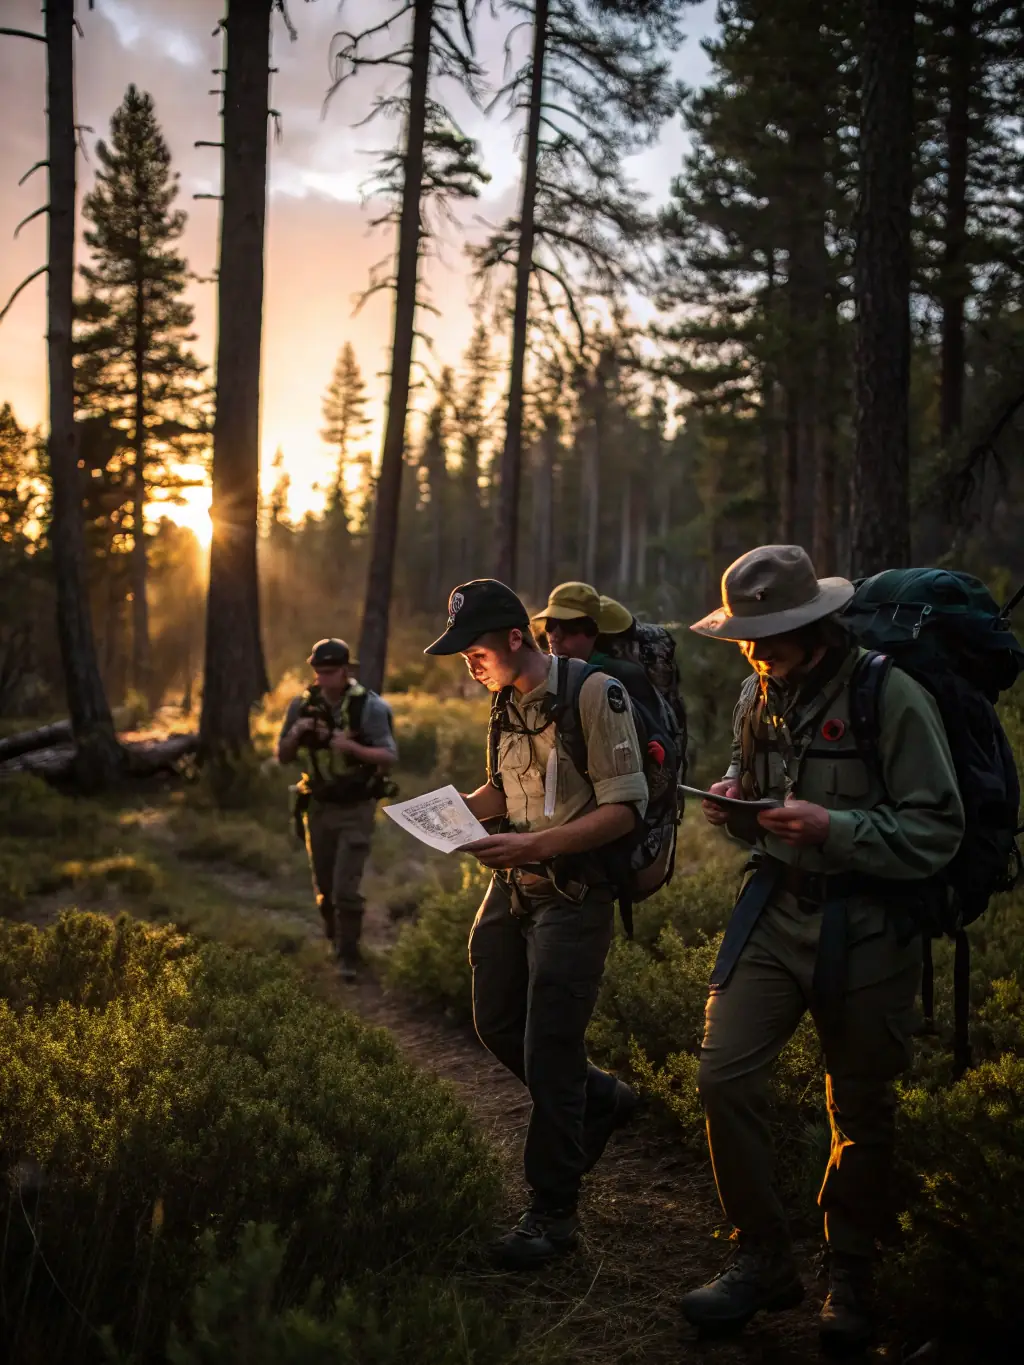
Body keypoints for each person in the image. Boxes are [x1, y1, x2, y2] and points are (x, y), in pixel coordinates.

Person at [679, 545, 964, 1352]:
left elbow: (938, 829)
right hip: (774, 908)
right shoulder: (754, 692)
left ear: (816, 624)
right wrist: (735, 800)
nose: (755, 651)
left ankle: (851, 1274)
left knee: (861, 1108)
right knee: (720, 1073)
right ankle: (762, 1255)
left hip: (869, 925)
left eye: (770, 636)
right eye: (747, 637)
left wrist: (834, 828)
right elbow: (751, 777)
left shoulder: (890, 695)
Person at [425, 579, 645, 1270]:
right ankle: (599, 1097)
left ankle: (553, 1212)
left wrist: (532, 847)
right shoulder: (502, 700)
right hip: (512, 883)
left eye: (476, 649)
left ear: (516, 638)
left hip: (574, 890)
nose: (469, 662)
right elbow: (505, 788)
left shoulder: (593, 693)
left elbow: (625, 807)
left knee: (550, 1044)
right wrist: (453, 810)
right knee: (495, 1019)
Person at [277, 638, 398, 982]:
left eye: (330, 672)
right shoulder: (301, 706)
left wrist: (352, 748)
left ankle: (349, 955)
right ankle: (334, 938)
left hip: (356, 806)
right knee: (325, 886)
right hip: (317, 804)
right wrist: (297, 733)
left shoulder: (370, 708)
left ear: (346, 671)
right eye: (318, 671)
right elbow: (282, 756)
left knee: (346, 886)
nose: (323, 678)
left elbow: (390, 757)